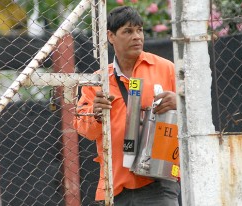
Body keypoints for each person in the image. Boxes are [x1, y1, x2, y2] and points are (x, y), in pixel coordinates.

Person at [73, 5, 180, 206]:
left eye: (139, 30)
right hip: (114, 184)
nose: (137, 36)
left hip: (158, 180)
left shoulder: (166, 69)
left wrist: (179, 103)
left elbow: (195, 113)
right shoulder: (98, 81)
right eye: (128, 31)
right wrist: (96, 114)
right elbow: (83, 128)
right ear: (111, 36)